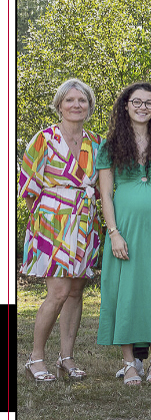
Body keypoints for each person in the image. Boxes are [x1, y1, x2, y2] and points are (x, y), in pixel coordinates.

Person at [93, 83, 151, 385]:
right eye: (137, 102)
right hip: (126, 231)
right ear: (126, 105)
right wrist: (114, 233)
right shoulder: (111, 145)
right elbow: (105, 194)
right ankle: (130, 363)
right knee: (125, 291)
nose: (142, 107)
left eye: (149, 103)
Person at [18, 79, 103, 383]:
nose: (76, 105)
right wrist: (51, 216)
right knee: (58, 292)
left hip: (85, 223)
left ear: (89, 107)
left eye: (82, 100)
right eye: (70, 100)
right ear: (59, 105)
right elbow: (27, 187)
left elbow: (102, 185)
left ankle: (66, 358)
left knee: (76, 291)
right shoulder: (43, 139)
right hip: (52, 224)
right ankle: (35, 358)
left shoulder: (96, 142)